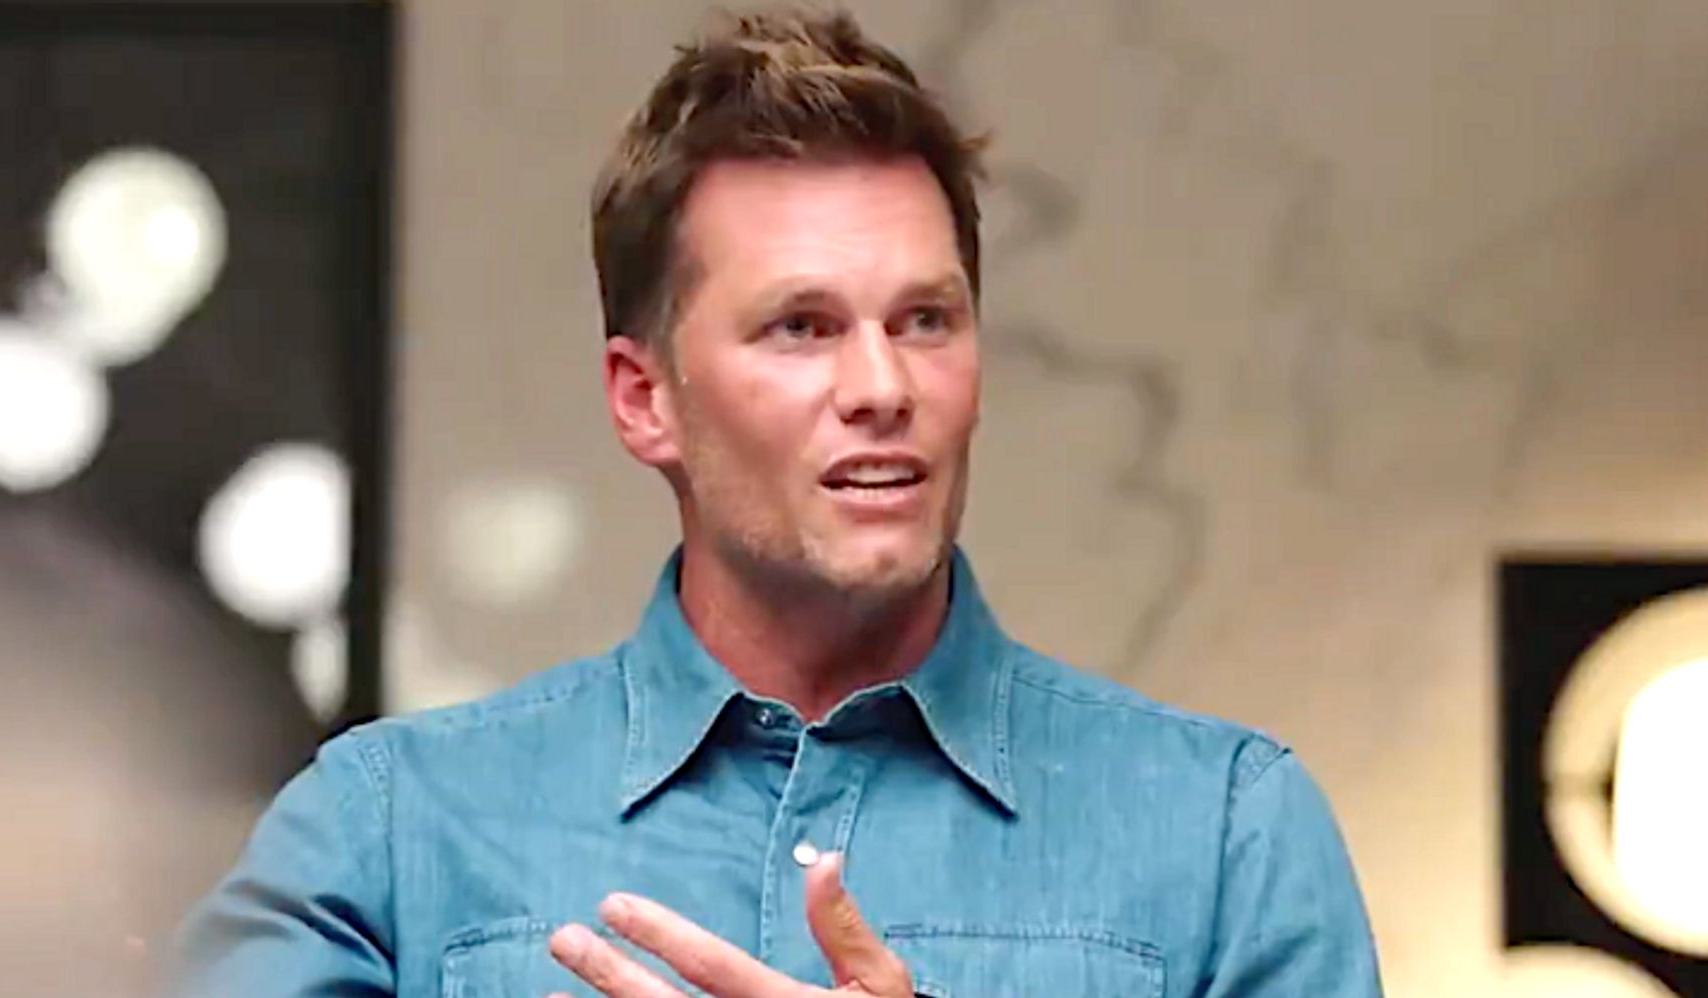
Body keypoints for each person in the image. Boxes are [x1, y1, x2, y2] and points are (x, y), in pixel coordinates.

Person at [175, 7, 1382, 996]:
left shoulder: (1224, 837)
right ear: (644, 399)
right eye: (801, 327)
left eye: (925, 319)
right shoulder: (390, 833)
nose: (882, 386)